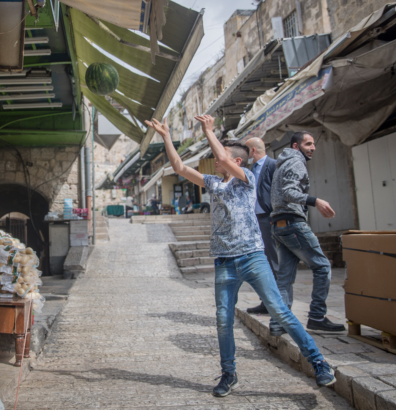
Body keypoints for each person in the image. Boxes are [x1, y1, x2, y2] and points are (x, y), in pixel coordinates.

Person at [145, 116, 335, 397]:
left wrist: (209, 131)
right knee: (223, 319)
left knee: (279, 310)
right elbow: (179, 167)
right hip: (224, 261)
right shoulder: (214, 183)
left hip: (252, 257)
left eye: (221, 158)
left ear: (238, 162)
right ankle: (229, 373)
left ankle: (319, 363)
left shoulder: (248, 181)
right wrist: (166, 137)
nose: (216, 161)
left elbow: (222, 154)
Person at [269, 132, 345, 337]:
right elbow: (288, 192)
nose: (312, 148)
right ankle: (317, 317)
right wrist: (316, 201)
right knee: (322, 266)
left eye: (313, 144)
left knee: (284, 278)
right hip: (293, 224)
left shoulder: (282, 164)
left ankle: (278, 324)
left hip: (279, 226)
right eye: (308, 144)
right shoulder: (296, 162)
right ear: (296, 146)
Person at [244, 138, 280, 315]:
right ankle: (266, 301)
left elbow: (279, 191)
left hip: (269, 219)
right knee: (261, 261)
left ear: (252, 151)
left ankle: (277, 303)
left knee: (273, 260)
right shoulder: (252, 169)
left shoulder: (273, 165)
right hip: (255, 220)